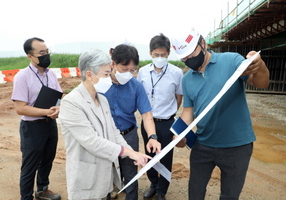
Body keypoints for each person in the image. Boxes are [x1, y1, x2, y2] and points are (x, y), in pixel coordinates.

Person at [171, 27, 270, 200]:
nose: (188, 60)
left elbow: (261, 83)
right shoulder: (187, 79)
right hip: (203, 145)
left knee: (230, 195)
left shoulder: (231, 60)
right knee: (195, 191)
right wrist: (179, 135)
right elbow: (188, 112)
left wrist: (259, 66)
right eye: (183, 58)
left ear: (203, 43)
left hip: (237, 146)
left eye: (191, 54)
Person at [58, 48, 151, 200]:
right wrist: (130, 153)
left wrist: (136, 154)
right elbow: (92, 141)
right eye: (106, 74)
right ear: (89, 75)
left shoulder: (102, 100)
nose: (109, 78)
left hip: (104, 172)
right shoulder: (71, 103)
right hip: (86, 174)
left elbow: (113, 132)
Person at [104, 44, 161, 200]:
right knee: (105, 176)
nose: (128, 74)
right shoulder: (100, 84)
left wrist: (152, 137)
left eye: (132, 70)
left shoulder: (135, 86)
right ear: (113, 63)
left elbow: (147, 115)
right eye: (124, 69)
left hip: (128, 136)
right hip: (105, 137)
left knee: (131, 176)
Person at [11, 37, 62, 200]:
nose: (46, 56)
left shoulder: (51, 74)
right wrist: (47, 111)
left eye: (47, 52)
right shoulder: (22, 77)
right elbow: (20, 108)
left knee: (47, 160)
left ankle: (42, 190)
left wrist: (58, 108)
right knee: (30, 165)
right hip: (32, 128)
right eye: (41, 53)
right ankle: (26, 197)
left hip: (50, 124)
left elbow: (60, 96)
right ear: (30, 56)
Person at [137, 33, 183, 200]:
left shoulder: (176, 73)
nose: (160, 58)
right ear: (150, 53)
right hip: (147, 122)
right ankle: (153, 184)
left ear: (168, 53)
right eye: (156, 55)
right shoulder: (142, 72)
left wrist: (169, 114)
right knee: (149, 155)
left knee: (165, 157)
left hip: (166, 123)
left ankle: (162, 191)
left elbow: (179, 97)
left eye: (163, 55)